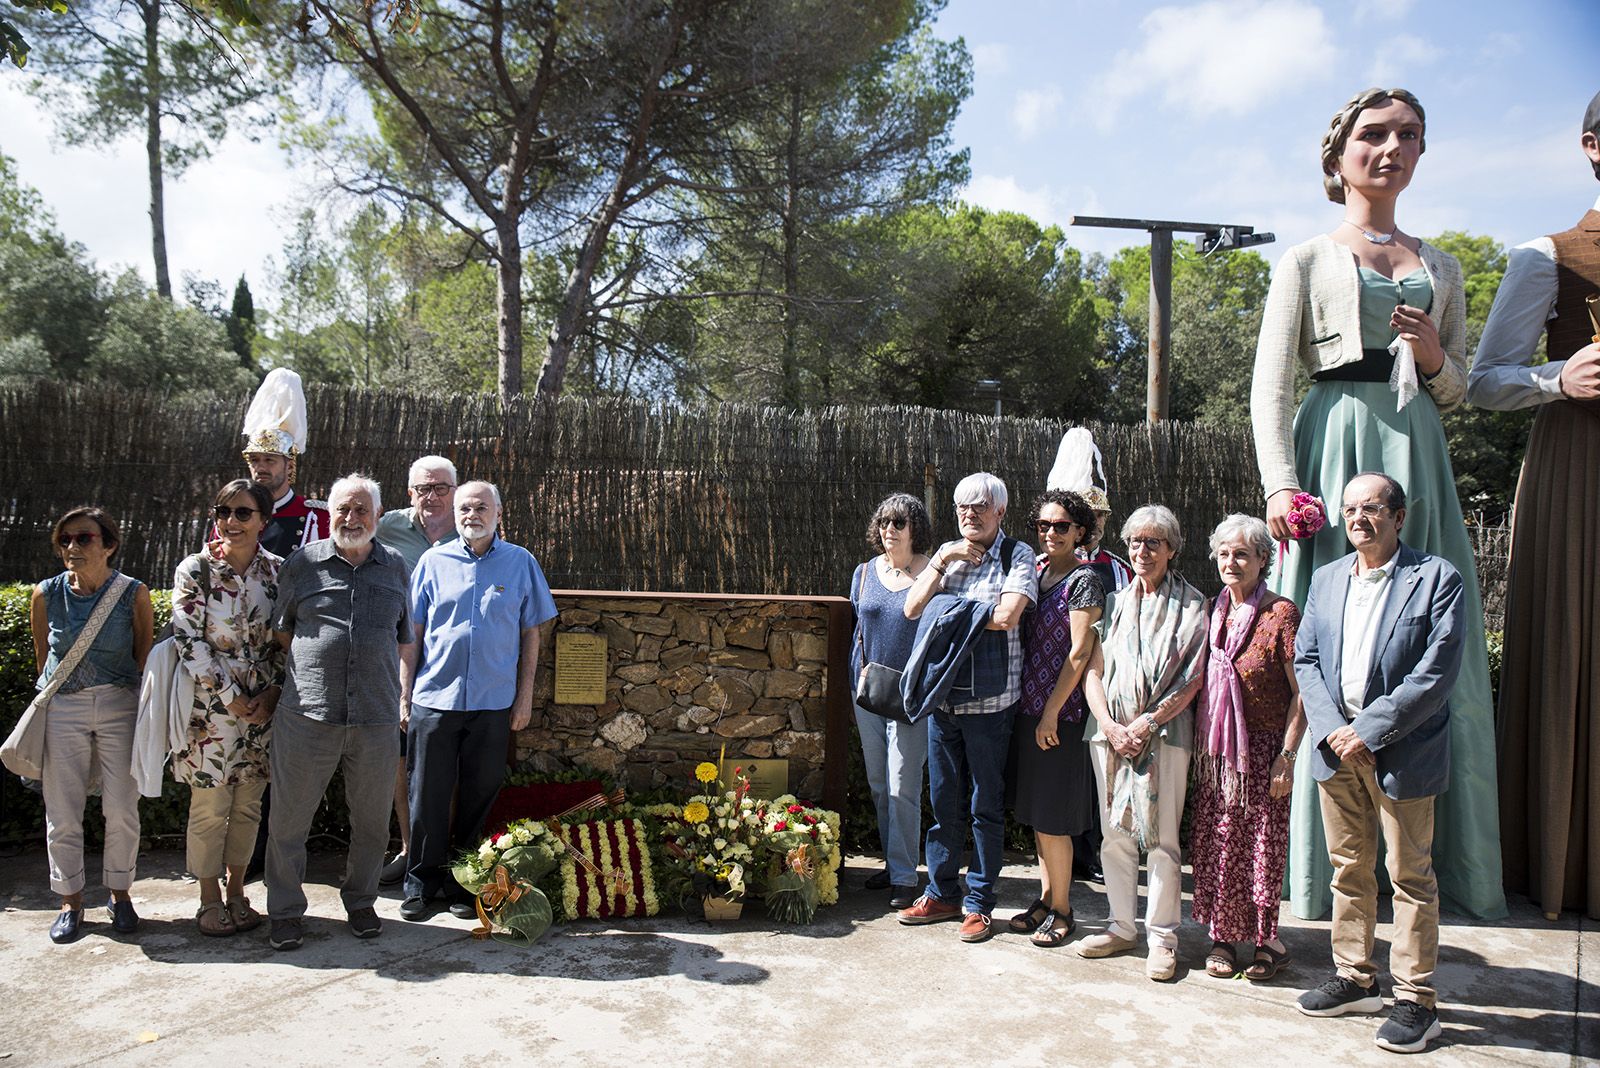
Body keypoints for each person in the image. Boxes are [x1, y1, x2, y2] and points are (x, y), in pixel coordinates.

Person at [1249, 86, 1504, 922]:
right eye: (1373, 134)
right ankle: (1322, 874)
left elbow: (1460, 385)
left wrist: (1434, 358)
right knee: (1326, 642)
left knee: (1428, 634)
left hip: (1416, 457)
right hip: (1334, 457)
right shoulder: (1307, 260)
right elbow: (1268, 387)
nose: (1390, 147)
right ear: (1338, 155)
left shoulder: (1447, 268)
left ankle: (1444, 865)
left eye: (1408, 135)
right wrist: (1283, 485)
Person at [1467, 89, 1600, 921]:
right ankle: (1563, 865)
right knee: (1570, 655)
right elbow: (1482, 379)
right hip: (1579, 472)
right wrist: (1560, 377)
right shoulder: (1547, 255)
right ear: (1592, 145)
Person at [1293, 473, 1460, 1054]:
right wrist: (1335, 731)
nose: (1359, 517)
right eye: (1350, 508)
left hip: (1402, 753)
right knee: (1348, 869)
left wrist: (1365, 730)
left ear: (1398, 515)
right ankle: (1355, 978)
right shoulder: (1327, 577)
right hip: (1335, 751)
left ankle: (1417, 1001)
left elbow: (1434, 676)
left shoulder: (1437, 579)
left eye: (1371, 507)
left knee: (1410, 876)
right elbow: (1306, 659)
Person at [264, 474, 412, 950]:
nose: (351, 519)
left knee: (371, 822)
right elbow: (282, 630)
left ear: (377, 515)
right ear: (330, 513)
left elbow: (403, 635)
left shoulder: (396, 568)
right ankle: (285, 911)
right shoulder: (301, 564)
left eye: (361, 510)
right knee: (289, 821)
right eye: (343, 509)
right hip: (308, 714)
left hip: (375, 717)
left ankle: (362, 901)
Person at [399, 481, 557, 922]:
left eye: (481, 507)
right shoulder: (433, 562)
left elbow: (531, 633)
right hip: (434, 698)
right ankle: (420, 882)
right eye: (465, 507)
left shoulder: (520, 562)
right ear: (456, 513)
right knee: (426, 794)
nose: (472, 514)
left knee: (478, 795)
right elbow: (412, 634)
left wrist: (524, 698)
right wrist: (404, 694)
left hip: (493, 702)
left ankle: (462, 881)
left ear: (498, 513)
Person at [898, 472, 1037, 943]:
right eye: (962, 507)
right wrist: (940, 562)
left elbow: (1007, 615)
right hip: (944, 701)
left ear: (1000, 511)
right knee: (943, 804)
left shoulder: (1017, 554)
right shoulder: (947, 557)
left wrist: (950, 612)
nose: (969, 514)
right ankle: (941, 892)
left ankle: (979, 902)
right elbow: (913, 609)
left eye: (979, 506)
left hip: (992, 704)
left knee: (985, 807)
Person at [1078, 504, 1205, 981]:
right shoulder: (1112, 602)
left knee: (1163, 841)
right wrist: (1109, 725)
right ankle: (1121, 926)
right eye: (1136, 542)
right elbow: (1093, 670)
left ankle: (1163, 938)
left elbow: (1192, 679)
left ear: (1171, 549)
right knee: (1114, 834)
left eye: (1154, 542)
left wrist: (1146, 724)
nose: (1143, 551)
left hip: (1165, 736)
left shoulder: (1193, 604)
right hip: (1109, 737)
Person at [29, 507, 154, 943]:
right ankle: (70, 901)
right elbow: (44, 658)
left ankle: (120, 894)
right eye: (65, 540)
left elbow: (143, 655)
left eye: (83, 538)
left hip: (120, 704)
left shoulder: (133, 594)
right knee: (62, 810)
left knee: (121, 806)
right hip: (63, 707)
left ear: (109, 545)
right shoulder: (46, 594)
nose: (72, 548)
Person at [1188, 515, 1304, 981]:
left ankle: (1265, 941)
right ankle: (1222, 938)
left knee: (1260, 849)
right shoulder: (1211, 610)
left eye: (1242, 553)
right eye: (1224, 553)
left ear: (1262, 559)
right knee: (1218, 845)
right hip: (1216, 754)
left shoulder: (1281, 614)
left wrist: (1288, 756)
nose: (1231, 562)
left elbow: (1303, 693)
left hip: (1262, 754)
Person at [171, 479, 285, 937]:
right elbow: (187, 638)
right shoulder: (196, 570)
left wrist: (271, 693)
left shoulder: (278, 573)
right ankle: (208, 898)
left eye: (242, 513)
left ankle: (238, 891)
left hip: (262, 707)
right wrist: (227, 695)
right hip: (210, 710)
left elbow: (287, 639)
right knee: (209, 805)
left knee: (248, 804)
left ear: (264, 520)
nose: (230, 522)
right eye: (223, 512)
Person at [1005, 490, 1103, 948]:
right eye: (1043, 526)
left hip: (1059, 716)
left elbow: (1080, 652)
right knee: (1039, 817)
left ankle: (1064, 911)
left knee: (1055, 820)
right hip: (1029, 709)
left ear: (1080, 531)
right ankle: (1046, 899)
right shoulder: (1040, 574)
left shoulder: (1084, 580)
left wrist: (1051, 712)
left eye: (1061, 526)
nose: (1050, 533)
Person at [374, 454, 460, 888]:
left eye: (441, 487)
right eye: (423, 488)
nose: (432, 496)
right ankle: (410, 850)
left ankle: (444, 855)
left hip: (451, 662)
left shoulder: (474, 528)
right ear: (410, 493)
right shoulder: (387, 526)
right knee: (398, 755)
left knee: (444, 758)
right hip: (394, 660)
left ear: (456, 491)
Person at [849, 493, 934, 910]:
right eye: (884, 523)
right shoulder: (863, 573)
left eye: (898, 523)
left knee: (903, 785)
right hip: (865, 692)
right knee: (880, 784)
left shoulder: (932, 574)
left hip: (909, 696)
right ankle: (891, 863)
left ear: (915, 529)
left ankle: (904, 876)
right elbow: (857, 627)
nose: (889, 530)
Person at [239, 368, 329, 558]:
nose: (260, 467)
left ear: (289, 465)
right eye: (254, 460)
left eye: (270, 460)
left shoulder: (317, 517)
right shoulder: (234, 512)